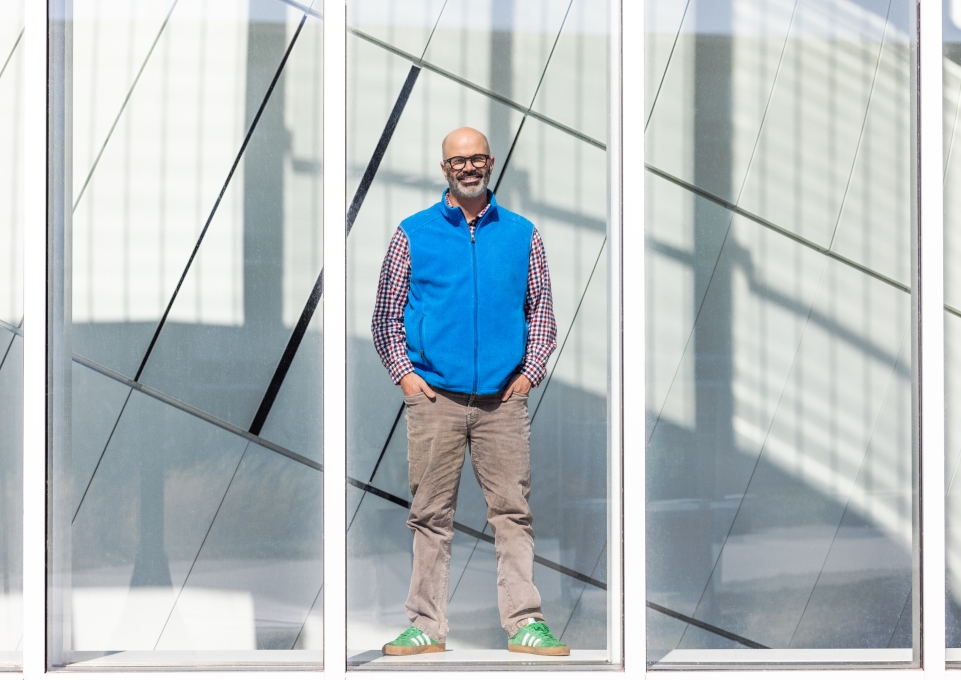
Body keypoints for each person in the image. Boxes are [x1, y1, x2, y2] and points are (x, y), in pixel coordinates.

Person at [371, 127, 566, 656]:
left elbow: (542, 312)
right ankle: (425, 627)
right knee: (430, 515)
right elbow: (386, 316)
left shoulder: (523, 233)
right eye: (459, 160)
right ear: (445, 169)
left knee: (512, 513)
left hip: (503, 401)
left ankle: (526, 622)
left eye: (477, 158)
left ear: (491, 162)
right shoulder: (412, 233)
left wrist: (526, 376)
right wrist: (408, 378)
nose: (469, 167)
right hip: (435, 398)